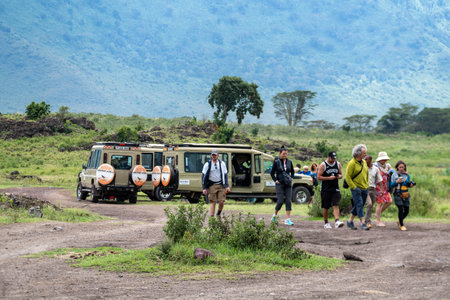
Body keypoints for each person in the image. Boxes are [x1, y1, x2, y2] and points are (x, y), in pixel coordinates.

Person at [317, 151, 344, 229]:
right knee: (326, 206)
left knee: (336, 204)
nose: (333, 160)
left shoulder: (338, 164)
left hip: (335, 188)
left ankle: (337, 221)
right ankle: (326, 223)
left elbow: (341, 175)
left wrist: (338, 176)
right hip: (325, 189)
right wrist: (328, 178)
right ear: (328, 157)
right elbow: (318, 177)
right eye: (332, 158)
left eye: (334, 158)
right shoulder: (323, 165)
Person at [345, 144, 370, 230]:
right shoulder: (351, 163)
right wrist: (354, 187)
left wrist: (367, 185)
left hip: (365, 188)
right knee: (359, 204)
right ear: (358, 153)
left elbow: (366, 174)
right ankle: (363, 223)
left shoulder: (364, 162)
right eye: (364, 153)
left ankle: (350, 221)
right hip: (356, 188)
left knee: (359, 205)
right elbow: (347, 177)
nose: (365, 154)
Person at [270, 146, 295, 226]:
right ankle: (274, 215)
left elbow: (293, 172)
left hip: (288, 184)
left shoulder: (289, 162)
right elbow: (272, 173)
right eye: (283, 153)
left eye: (286, 154)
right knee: (280, 201)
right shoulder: (277, 162)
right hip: (279, 183)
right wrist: (275, 180)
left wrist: (291, 178)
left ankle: (287, 219)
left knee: (288, 201)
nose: (285, 155)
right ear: (280, 153)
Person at [202, 149, 230, 217]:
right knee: (213, 202)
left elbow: (225, 175)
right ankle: (211, 217)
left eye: (215, 155)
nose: (214, 156)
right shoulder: (207, 164)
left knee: (221, 201)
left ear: (218, 155)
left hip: (221, 185)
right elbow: (203, 176)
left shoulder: (222, 163)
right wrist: (204, 188)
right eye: (213, 155)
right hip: (212, 185)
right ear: (211, 156)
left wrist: (227, 186)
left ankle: (218, 213)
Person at [391, 160, 415, 231]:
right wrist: (396, 182)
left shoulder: (407, 175)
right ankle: (401, 225)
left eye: (403, 167)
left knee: (407, 210)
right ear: (397, 167)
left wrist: (411, 185)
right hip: (397, 193)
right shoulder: (394, 175)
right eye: (400, 167)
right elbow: (391, 185)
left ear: (405, 168)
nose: (401, 168)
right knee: (400, 208)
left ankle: (399, 221)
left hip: (406, 193)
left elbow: (407, 184)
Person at [374, 152, 392, 227]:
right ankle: (378, 221)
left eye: (385, 159)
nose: (384, 160)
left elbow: (393, 173)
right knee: (380, 203)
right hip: (378, 186)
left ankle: (377, 214)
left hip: (386, 187)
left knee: (389, 201)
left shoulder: (387, 166)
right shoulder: (375, 166)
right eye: (383, 159)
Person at [364, 155, 382, 228]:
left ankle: (365, 219)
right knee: (369, 204)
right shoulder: (363, 168)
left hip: (373, 189)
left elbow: (379, 180)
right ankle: (367, 222)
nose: (364, 161)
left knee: (371, 205)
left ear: (370, 160)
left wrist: (381, 190)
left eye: (366, 159)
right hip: (365, 189)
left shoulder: (376, 169)